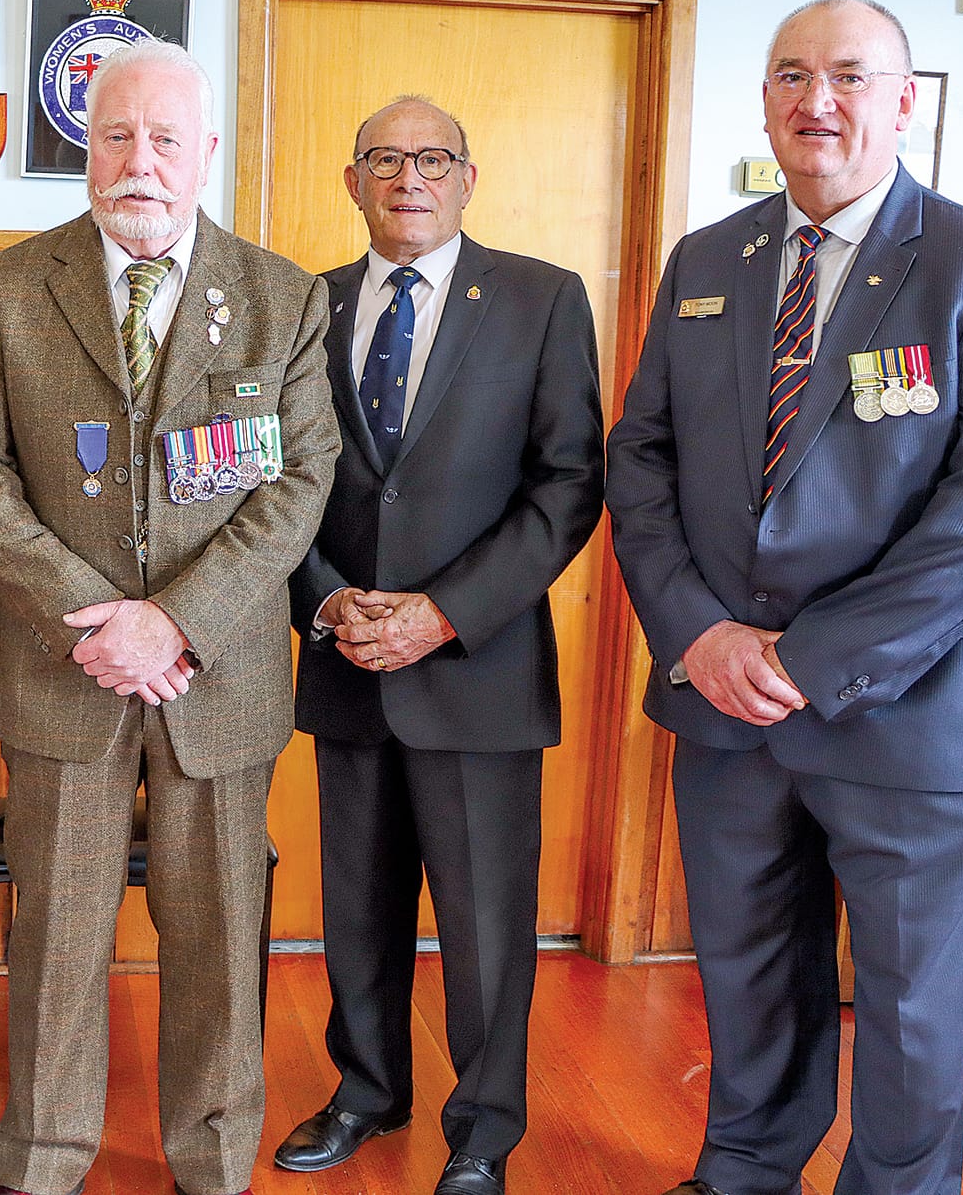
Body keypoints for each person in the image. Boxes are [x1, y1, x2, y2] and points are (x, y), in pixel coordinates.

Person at [605, 0, 963, 1195]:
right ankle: (745, 1168)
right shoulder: (708, 260)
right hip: (722, 706)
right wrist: (697, 633)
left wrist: (802, 660)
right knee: (748, 972)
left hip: (907, 712)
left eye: (850, 77)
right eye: (791, 75)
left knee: (909, 1004)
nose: (818, 102)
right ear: (762, 100)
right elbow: (637, 457)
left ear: (904, 102)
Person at [0, 38, 341, 1195]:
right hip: (66, 671)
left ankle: (211, 1160)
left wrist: (174, 621)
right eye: (116, 135)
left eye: (166, 138)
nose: (140, 162)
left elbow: (296, 485)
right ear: (84, 145)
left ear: (205, 151)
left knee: (215, 937)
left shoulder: (281, 296)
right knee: (56, 936)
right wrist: (97, 618)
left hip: (218, 676)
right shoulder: (9, 288)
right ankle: (44, 1159)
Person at [278, 97, 604, 1195]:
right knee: (356, 907)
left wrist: (442, 611)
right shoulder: (301, 306)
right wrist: (325, 604)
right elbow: (272, 484)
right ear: (350, 179)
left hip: (476, 665)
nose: (405, 177)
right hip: (343, 657)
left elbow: (567, 485)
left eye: (429, 159)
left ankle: (483, 1126)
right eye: (382, 158)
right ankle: (366, 1091)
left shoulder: (539, 299)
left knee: (483, 923)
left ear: (467, 177)